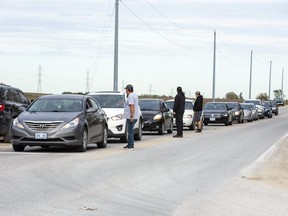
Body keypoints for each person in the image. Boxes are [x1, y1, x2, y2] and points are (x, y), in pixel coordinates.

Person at [123, 84, 140, 150]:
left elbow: (132, 106)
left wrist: (131, 116)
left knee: (130, 131)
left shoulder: (130, 96)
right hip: (134, 115)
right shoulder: (134, 95)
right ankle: (129, 143)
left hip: (132, 116)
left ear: (127, 89)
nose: (126, 91)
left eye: (126, 90)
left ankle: (131, 145)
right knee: (130, 130)